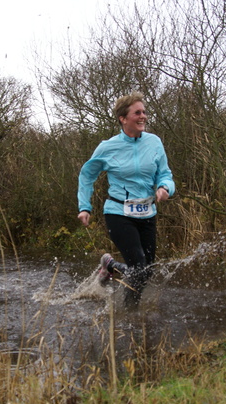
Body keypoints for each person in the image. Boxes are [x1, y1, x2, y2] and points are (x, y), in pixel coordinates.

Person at [77, 92, 175, 308]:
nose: (143, 117)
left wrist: (164, 187)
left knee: (147, 271)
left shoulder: (154, 142)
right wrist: (85, 207)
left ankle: (109, 265)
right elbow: (87, 175)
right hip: (118, 212)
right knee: (138, 266)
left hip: (147, 213)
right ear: (123, 118)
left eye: (144, 112)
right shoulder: (108, 147)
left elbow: (165, 173)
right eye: (137, 113)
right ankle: (132, 316)